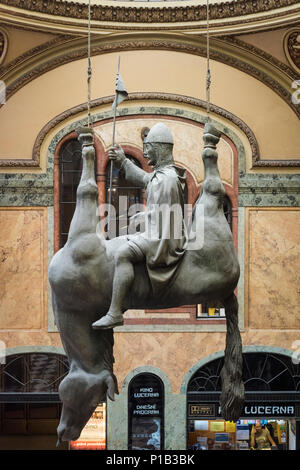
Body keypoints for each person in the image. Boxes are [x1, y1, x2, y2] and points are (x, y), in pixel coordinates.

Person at [92, 122, 187, 329]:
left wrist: (145, 218)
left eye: (149, 150)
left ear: (160, 149)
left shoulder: (167, 179)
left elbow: (164, 218)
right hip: (157, 230)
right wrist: (124, 162)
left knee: (123, 253)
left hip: (162, 239)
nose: (146, 155)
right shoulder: (164, 175)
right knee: (117, 241)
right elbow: (147, 180)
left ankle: (115, 311)